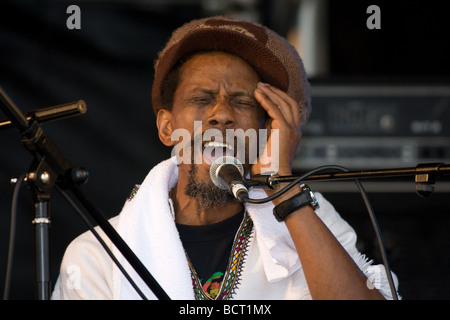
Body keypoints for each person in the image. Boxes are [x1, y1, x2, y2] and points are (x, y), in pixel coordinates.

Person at [51, 16, 398, 300]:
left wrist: (285, 189)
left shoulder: (310, 216)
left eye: (243, 102)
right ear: (168, 127)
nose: (221, 115)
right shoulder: (98, 255)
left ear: (266, 130)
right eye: (202, 99)